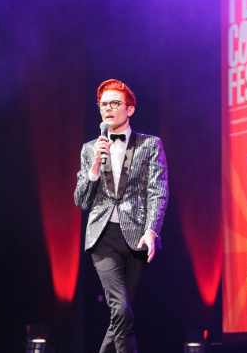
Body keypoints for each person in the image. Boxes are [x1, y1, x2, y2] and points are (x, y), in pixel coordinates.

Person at [74, 79, 169, 353]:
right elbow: (81, 200)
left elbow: (158, 192)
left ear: (130, 109)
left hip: (137, 236)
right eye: (103, 105)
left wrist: (152, 230)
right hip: (102, 237)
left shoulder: (150, 145)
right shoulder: (89, 148)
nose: (107, 109)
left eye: (115, 103)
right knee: (122, 311)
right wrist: (93, 168)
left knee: (121, 318)